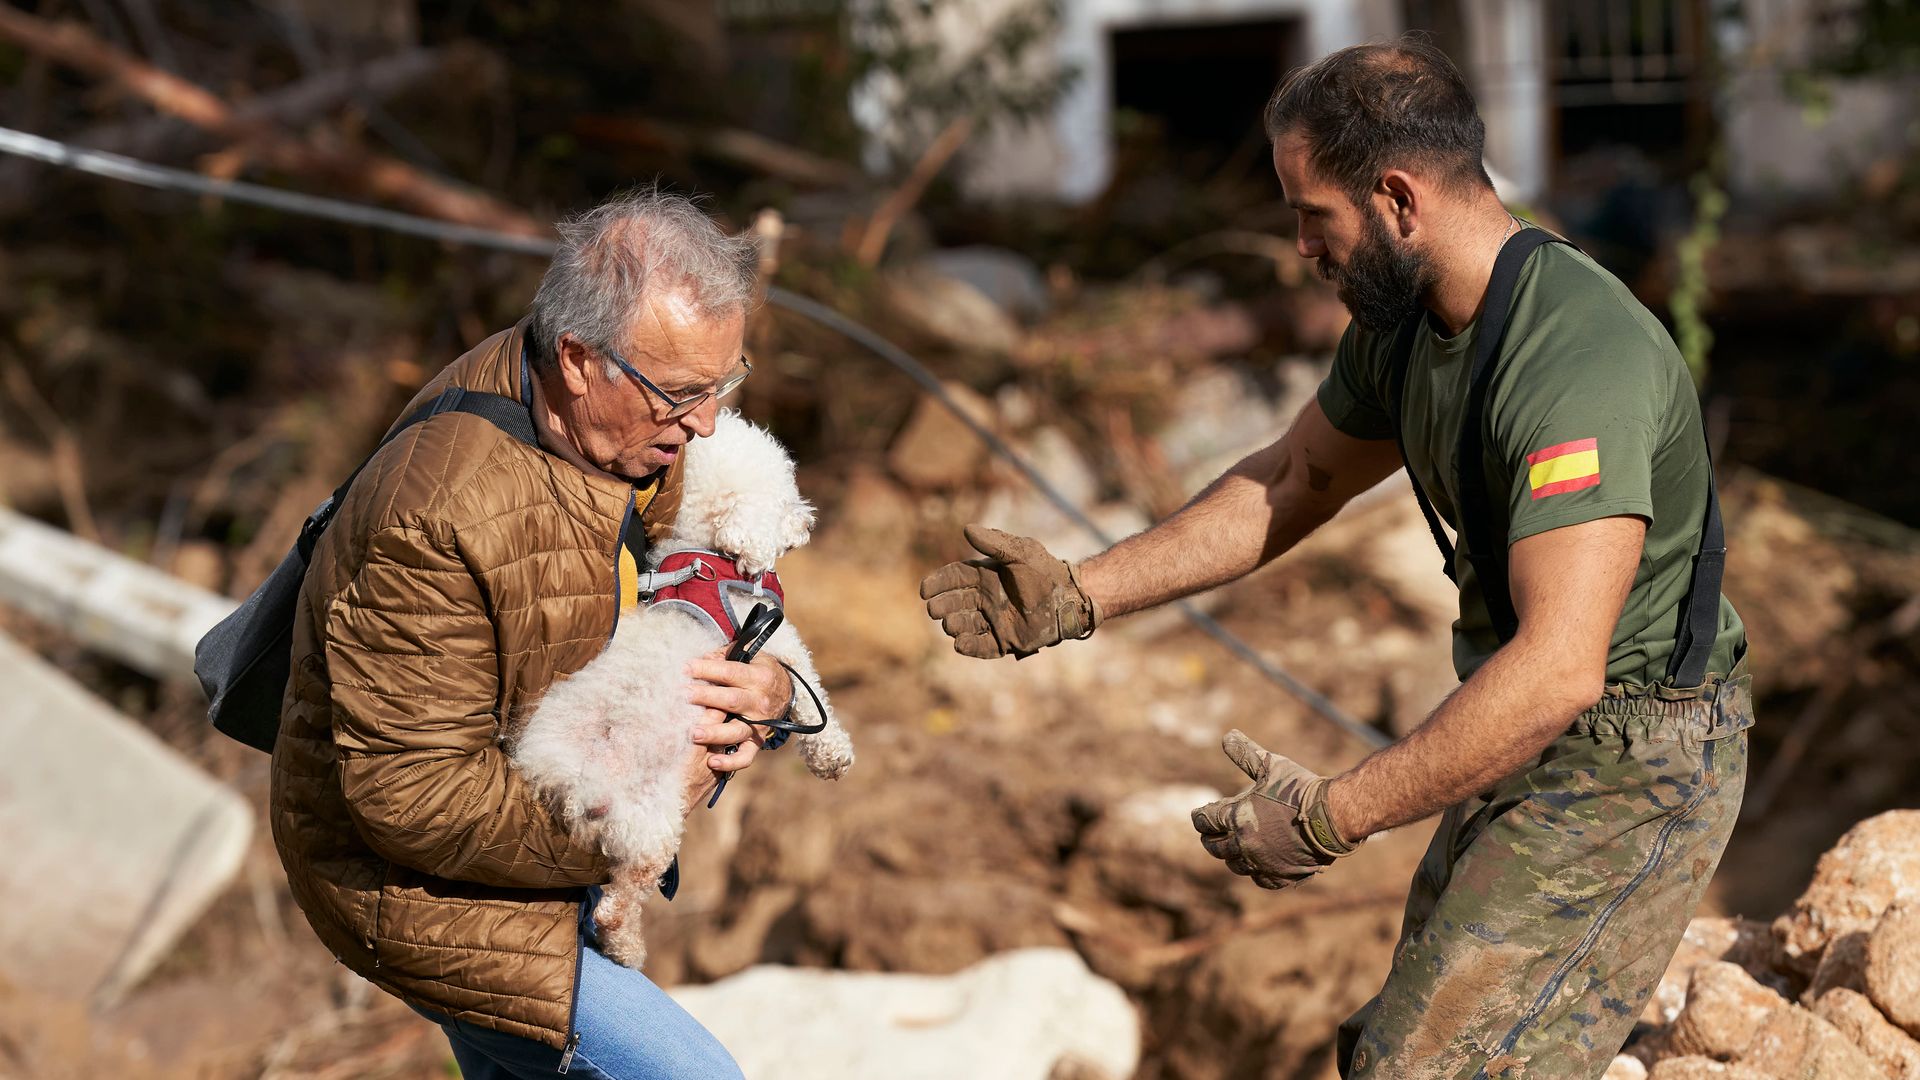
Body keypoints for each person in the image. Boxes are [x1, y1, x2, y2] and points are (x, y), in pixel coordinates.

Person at [920, 38, 1751, 1080]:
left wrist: (1330, 816)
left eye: (1315, 216)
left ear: (1398, 199)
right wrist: (1078, 595)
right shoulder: (1406, 325)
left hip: (1633, 763)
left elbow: (1559, 668)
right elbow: (1290, 482)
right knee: (1385, 1055)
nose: (1303, 250)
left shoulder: (1578, 360)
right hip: (1530, 726)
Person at [271, 191, 797, 1079]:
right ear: (581, 359)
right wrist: (644, 806)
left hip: (544, 849)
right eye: (682, 395)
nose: (706, 423)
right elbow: (410, 800)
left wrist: (775, 695)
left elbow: (725, 585)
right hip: (421, 894)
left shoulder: (631, 431)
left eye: (725, 382)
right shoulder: (432, 517)